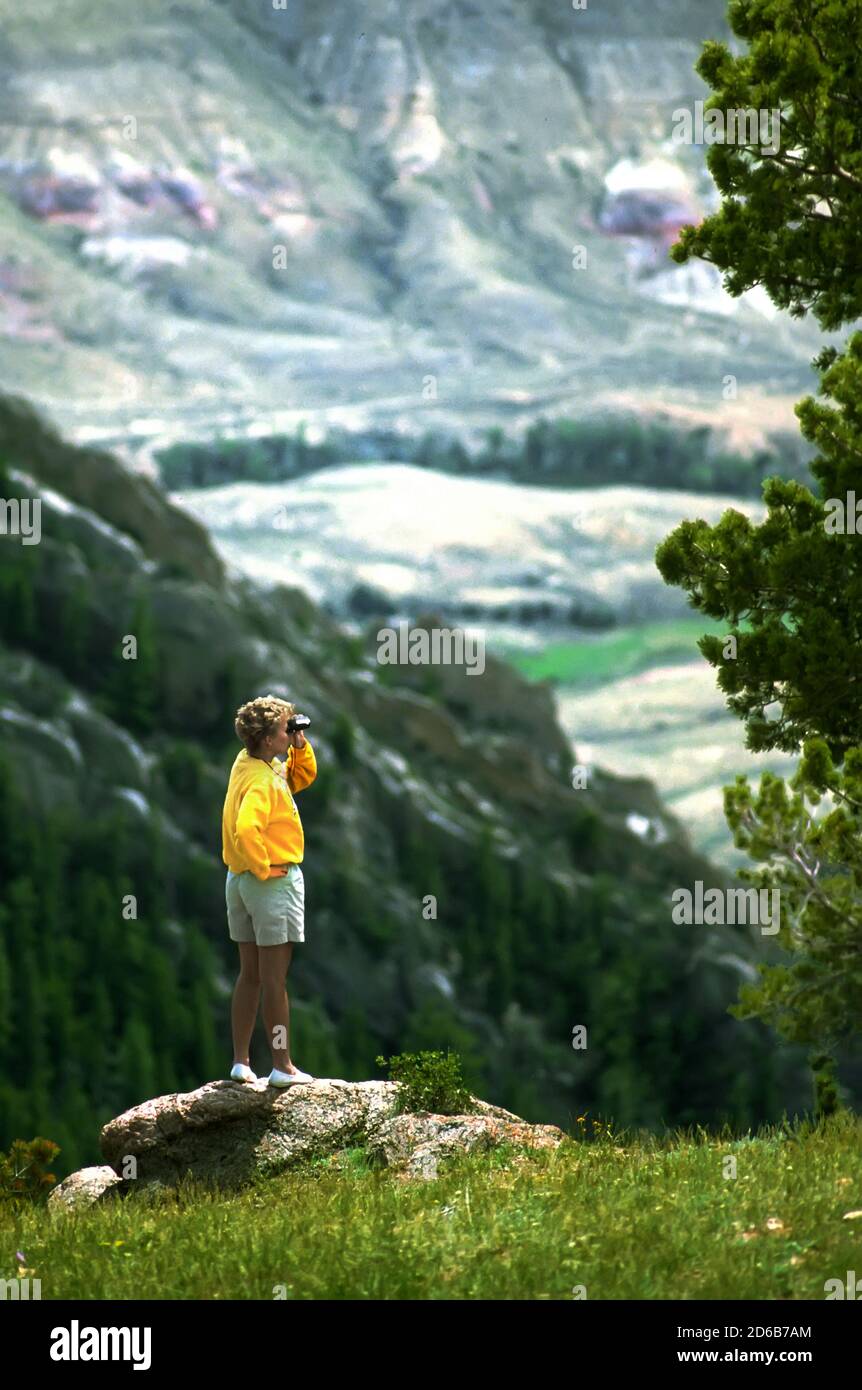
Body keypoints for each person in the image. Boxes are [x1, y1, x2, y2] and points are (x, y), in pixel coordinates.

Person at [222, 694, 317, 1087]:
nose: (292, 730)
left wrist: (298, 747)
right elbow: (248, 828)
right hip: (269, 884)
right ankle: (282, 1066)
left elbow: (299, 778)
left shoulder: (249, 765)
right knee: (276, 980)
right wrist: (265, 866)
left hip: (238, 881)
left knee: (250, 975)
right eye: (286, 728)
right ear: (266, 739)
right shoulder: (263, 781)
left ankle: (241, 1062)